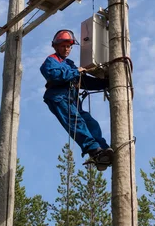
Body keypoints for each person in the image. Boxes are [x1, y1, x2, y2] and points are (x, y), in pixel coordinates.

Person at [40, 29, 113, 171]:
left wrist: (105, 83)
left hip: (73, 100)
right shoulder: (51, 60)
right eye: (63, 46)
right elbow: (53, 75)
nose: (66, 49)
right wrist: (76, 71)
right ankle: (94, 150)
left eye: (69, 46)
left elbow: (84, 81)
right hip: (58, 98)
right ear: (55, 46)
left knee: (90, 122)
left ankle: (103, 149)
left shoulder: (69, 64)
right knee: (76, 122)